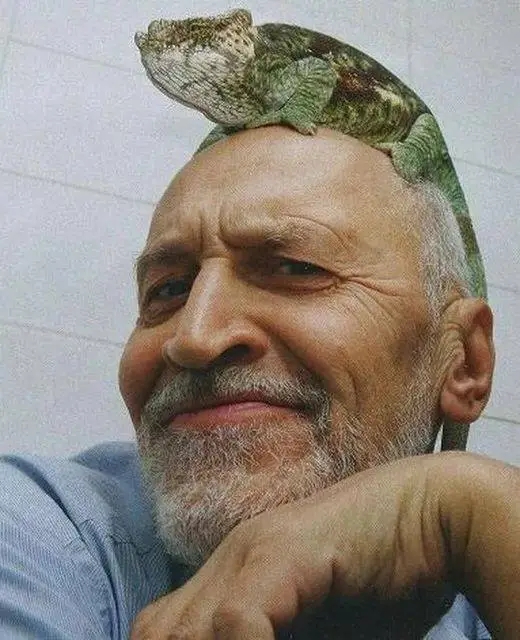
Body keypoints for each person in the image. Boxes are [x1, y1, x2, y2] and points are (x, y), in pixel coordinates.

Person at [1, 122, 518, 639]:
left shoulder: (487, 586)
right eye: (168, 289)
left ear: (464, 361)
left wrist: (472, 510)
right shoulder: (37, 530)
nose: (194, 338)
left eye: (296, 268)